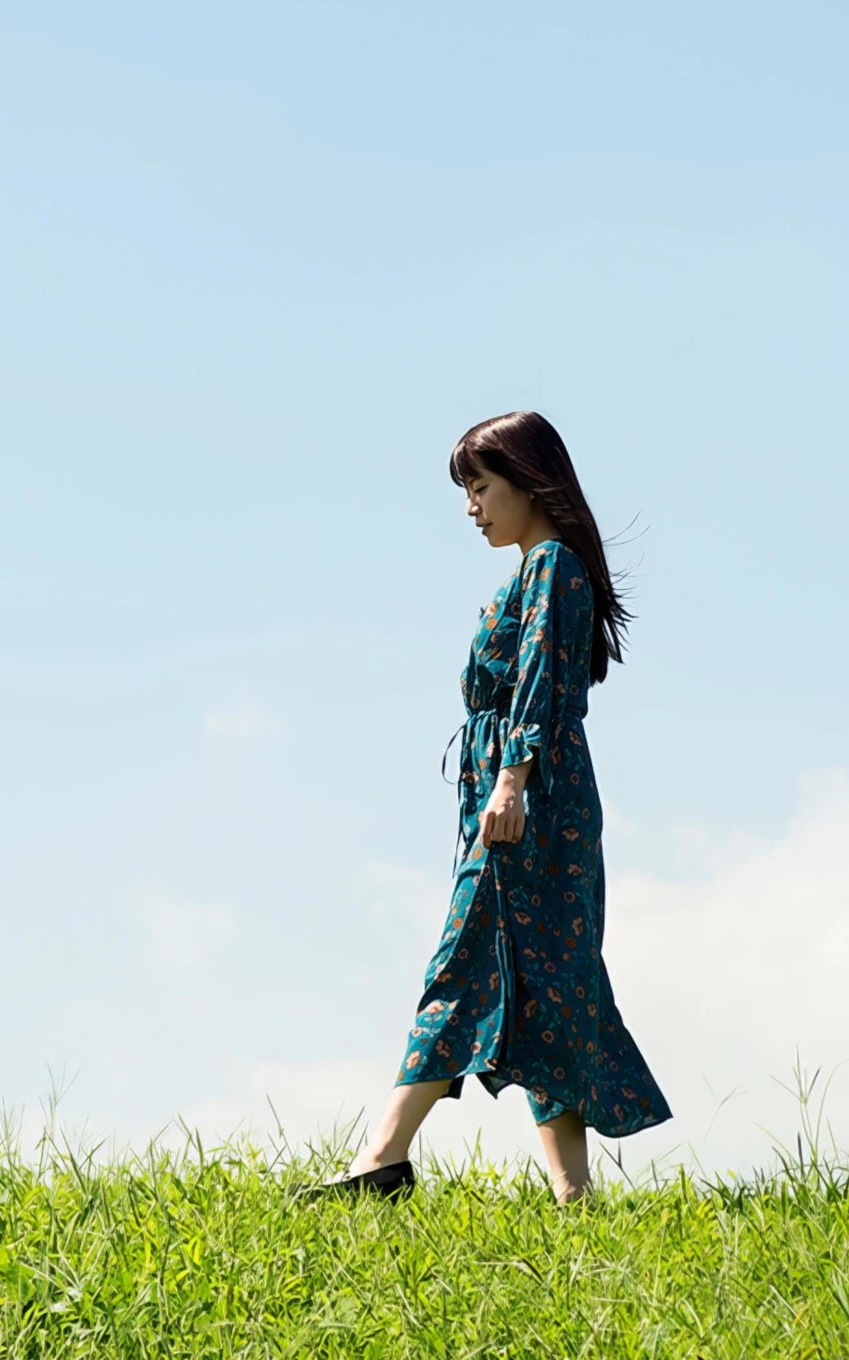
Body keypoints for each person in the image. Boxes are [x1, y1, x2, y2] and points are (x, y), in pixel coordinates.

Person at [313, 410, 670, 1207]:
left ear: (528, 482)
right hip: (527, 792)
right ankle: (574, 1197)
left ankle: (382, 1158)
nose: (471, 508)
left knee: (466, 962)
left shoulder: (552, 566)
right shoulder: (539, 569)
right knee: (543, 982)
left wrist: (511, 781)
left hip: (530, 800)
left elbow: (539, 678)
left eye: (480, 487)